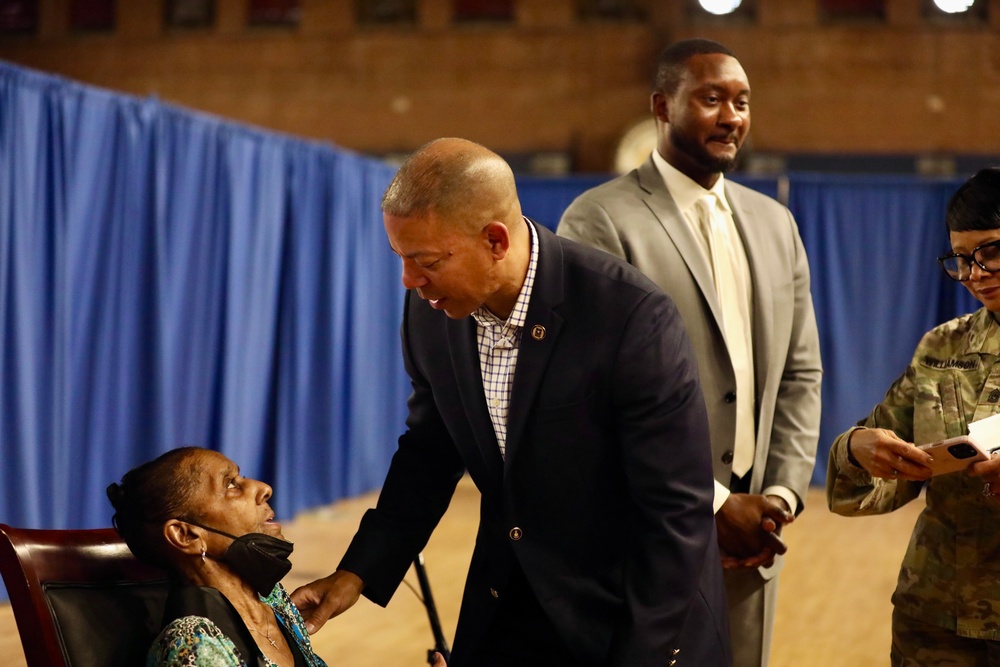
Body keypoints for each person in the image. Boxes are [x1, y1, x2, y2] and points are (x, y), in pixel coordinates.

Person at [290, 137, 732, 666]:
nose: (410, 280)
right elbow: (430, 452)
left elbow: (676, 513)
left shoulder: (631, 317)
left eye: (426, 260)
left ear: (496, 240)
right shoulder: (430, 315)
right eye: (401, 259)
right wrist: (358, 572)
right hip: (510, 611)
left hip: (631, 618)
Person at [556, 38, 823, 667]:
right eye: (711, 98)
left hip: (758, 537)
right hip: (647, 531)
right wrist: (715, 505)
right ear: (661, 105)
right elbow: (592, 398)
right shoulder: (599, 220)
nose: (732, 116)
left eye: (742, 101)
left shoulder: (774, 223)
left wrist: (776, 500)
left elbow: (800, 373)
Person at [827, 168, 1000, 664]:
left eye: (991, 252)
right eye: (961, 259)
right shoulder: (942, 347)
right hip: (936, 625)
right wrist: (856, 450)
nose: (975, 274)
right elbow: (885, 482)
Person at [108, 446, 446, 667]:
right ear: (186, 535)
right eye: (231, 485)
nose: (262, 487)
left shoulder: (274, 601)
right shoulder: (194, 648)